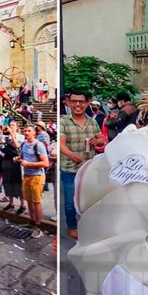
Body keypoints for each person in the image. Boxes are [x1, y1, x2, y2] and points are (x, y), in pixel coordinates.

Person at [59, 89, 102, 240]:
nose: (78, 104)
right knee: (70, 202)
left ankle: (88, 225)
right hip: (70, 170)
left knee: (89, 200)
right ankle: (72, 226)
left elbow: (102, 138)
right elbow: (61, 144)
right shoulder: (63, 121)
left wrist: (98, 141)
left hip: (88, 170)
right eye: (74, 101)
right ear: (69, 103)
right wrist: (71, 155)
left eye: (81, 101)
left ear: (86, 103)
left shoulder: (92, 121)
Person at [18, 124, 50, 237]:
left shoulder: (39, 145)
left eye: (29, 131)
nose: (26, 133)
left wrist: (28, 164)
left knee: (36, 201)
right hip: (26, 175)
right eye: (25, 130)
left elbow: (45, 163)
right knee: (29, 200)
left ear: (34, 133)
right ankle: (32, 221)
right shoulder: (23, 144)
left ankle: (38, 225)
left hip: (37, 176)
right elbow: (21, 157)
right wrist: (17, 159)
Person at [0, 121, 24, 212]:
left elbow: (17, 146)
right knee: (7, 182)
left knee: (17, 183)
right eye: (10, 125)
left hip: (15, 162)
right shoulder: (5, 137)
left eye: (13, 125)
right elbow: (0, 146)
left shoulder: (20, 137)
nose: (11, 127)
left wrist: (12, 134)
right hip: (6, 160)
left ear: (17, 127)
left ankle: (22, 205)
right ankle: (11, 203)